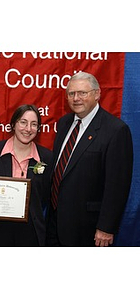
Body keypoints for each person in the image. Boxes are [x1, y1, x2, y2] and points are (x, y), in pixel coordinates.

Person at [46, 71, 133, 247]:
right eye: (71, 94)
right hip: (55, 222)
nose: (76, 98)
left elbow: (117, 185)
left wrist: (106, 227)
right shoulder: (64, 123)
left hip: (88, 228)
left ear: (97, 94)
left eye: (82, 93)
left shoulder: (116, 130)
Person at [0, 104, 53, 246]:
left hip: (31, 231)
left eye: (34, 124)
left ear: (38, 129)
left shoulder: (46, 157)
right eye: (23, 122)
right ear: (13, 124)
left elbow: (44, 196)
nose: (28, 129)